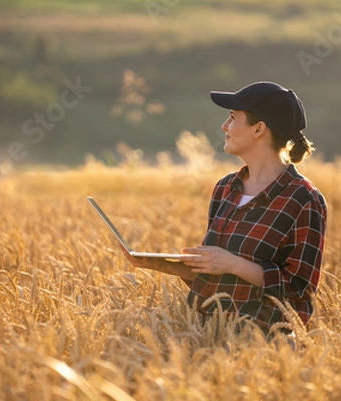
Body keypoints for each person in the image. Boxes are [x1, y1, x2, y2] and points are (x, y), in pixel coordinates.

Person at [125, 82, 327, 335]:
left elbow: (300, 288)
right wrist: (166, 265)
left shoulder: (304, 198)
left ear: (259, 129)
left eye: (232, 118)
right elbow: (217, 276)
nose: (224, 126)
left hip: (263, 347)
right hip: (205, 335)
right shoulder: (226, 188)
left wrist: (234, 264)